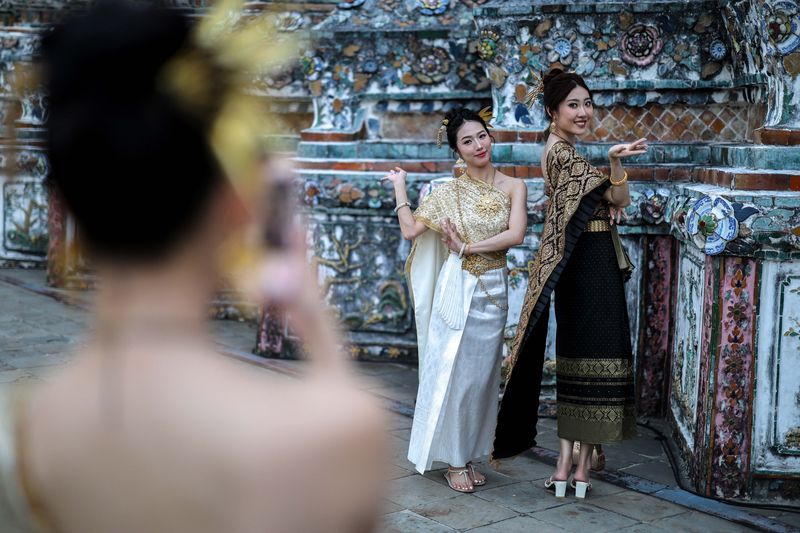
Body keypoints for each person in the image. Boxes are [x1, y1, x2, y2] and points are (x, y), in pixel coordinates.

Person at [0, 3, 386, 532]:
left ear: (67, 194)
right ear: (237, 201)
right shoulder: (328, 434)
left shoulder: (24, 430)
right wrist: (317, 328)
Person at [493, 68, 647, 498]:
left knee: (579, 361)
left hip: (584, 263)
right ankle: (575, 468)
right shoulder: (561, 154)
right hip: (590, 266)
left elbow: (612, 199)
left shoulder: (567, 154)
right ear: (552, 112)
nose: (583, 112)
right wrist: (613, 166)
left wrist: (613, 164)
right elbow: (616, 199)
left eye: (587, 103)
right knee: (592, 359)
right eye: (572, 105)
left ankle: (569, 468)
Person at [382, 107, 527, 493]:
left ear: (490, 137)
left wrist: (466, 246)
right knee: (455, 373)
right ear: (457, 152)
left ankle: (467, 451)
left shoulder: (514, 186)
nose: (478, 145)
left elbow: (516, 236)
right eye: (467, 141)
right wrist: (400, 187)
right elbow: (412, 230)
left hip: (494, 289)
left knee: (481, 378)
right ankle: (455, 461)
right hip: (456, 287)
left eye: (482, 136)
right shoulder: (447, 193)